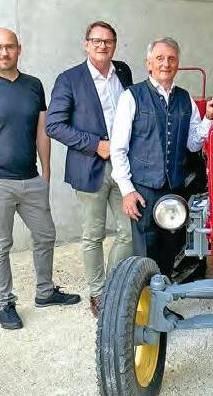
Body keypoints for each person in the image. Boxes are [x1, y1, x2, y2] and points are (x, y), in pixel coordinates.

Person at [0, 28, 80, 330]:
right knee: (0, 244)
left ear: (19, 49)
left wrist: (46, 173)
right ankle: (5, 303)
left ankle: (45, 292)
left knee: (46, 235)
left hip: (31, 179)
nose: (4, 52)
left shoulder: (33, 85)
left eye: (9, 47)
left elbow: (42, 131)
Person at [111, 37, 213, 276]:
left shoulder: (185, 98)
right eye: (160, 58)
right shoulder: (132, 96)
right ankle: (146, 296)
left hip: (175, 187)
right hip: (144, 190)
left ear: (177, 64)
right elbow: (118, 148)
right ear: (149, 64)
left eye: (171, 59)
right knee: (145, 252)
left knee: (170, 249)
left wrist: (208, 118)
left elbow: (193, 143)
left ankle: (165, 294)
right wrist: (127, 191)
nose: (166, 64)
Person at [46, 21, 133, 317]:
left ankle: (113, 287)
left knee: (129, 232)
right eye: (96, 40)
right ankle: (98, 292)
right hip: (89, 167)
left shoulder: (123, 72)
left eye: (108, 41)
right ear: (86, 44)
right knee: (93, 235)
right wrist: (96, 144)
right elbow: (54, 125)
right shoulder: (69, 79)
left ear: (115, 45)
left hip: (123, 166)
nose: (102, 46)